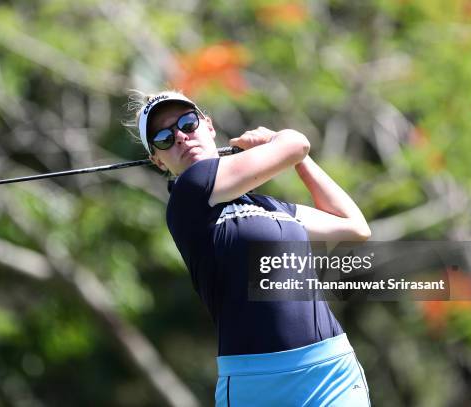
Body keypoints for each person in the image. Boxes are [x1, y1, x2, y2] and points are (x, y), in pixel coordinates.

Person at [129, 90, 372, 406]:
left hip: (332, 372)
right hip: (258, 387)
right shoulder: (189, 193)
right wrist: (280, 141)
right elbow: (296, 142)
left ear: (209, 126)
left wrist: (303, 161)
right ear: (157, 160)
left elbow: (354, 226)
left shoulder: (269, 206)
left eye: (187, 123)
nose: (180, 137)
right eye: (163, 137)